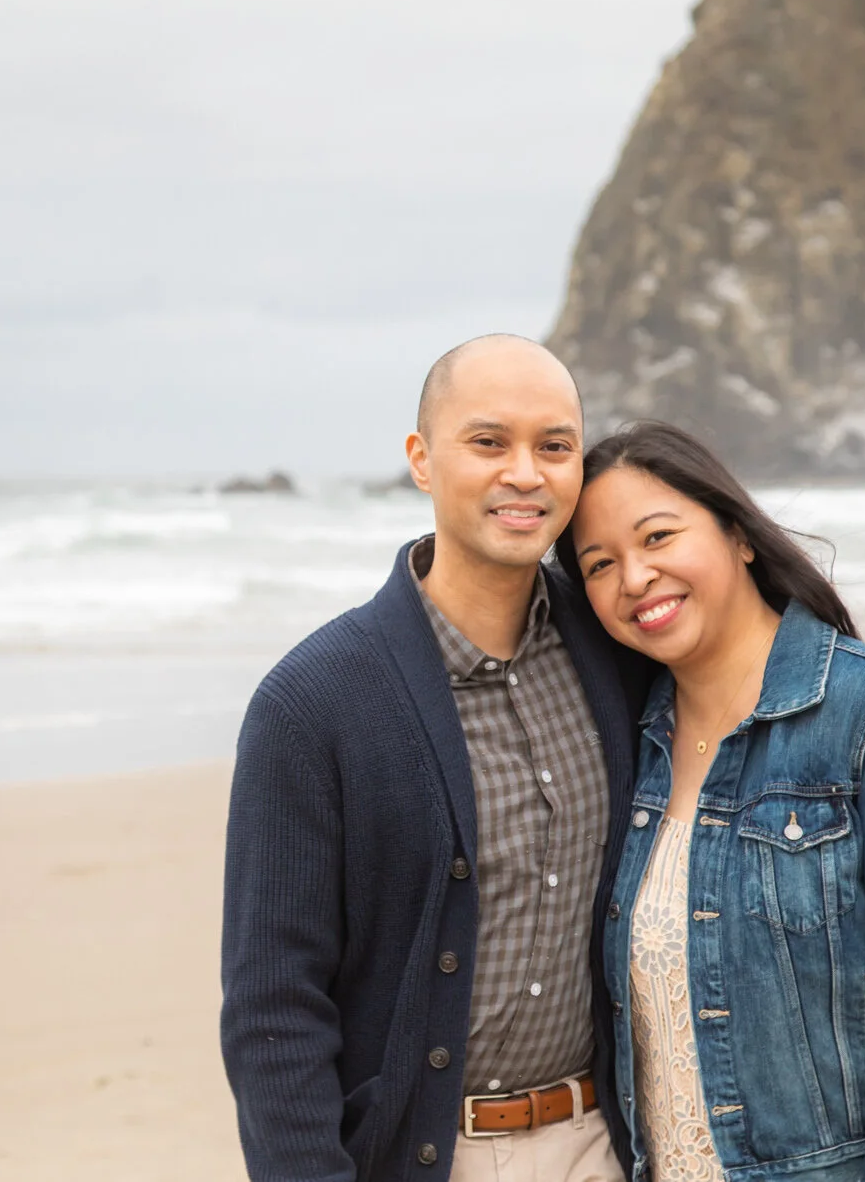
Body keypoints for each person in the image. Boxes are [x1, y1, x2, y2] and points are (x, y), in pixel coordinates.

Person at [221, 334, 645, 1182]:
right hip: (423, 1155)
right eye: (489, 442)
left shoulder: (619, 651)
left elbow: (741, 661)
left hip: (605, 1146)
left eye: (554, 446)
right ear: (421, 459)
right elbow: (275, 1010)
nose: (525, 472)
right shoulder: (311, 703)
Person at [559, 421, 865, 1182]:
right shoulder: (632, 744)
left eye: (658, 536)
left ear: (740, 535)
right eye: (600, 564)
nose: (634, 577)